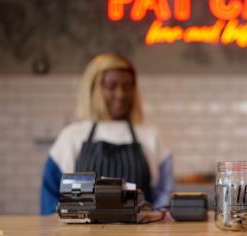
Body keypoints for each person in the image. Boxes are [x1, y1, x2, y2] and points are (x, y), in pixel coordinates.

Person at [40, 53, 174, 215]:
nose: (121, 94)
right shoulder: (71, 136)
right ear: (94, 89)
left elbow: (164, 195)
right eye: (111, 86)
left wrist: (155, 219)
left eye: (127, 86)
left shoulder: (151, 136)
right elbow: (50, 198)